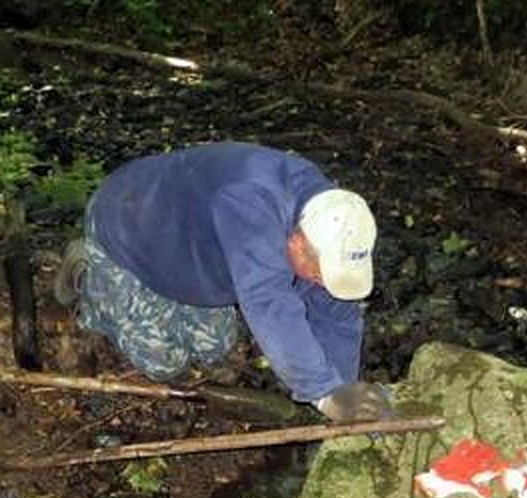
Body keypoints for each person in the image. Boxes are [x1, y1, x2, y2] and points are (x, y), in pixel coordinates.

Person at [53, 142, 392, 422]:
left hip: (190, 247)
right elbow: (269, 305)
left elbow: (338, 312)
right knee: (163, 361)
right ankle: (88, 276)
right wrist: (324, 394)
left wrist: (345, 389)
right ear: (297, 243)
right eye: (319, 273)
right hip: (129, 224)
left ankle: (164, 295)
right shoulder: (250, 206)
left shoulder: (332, 219)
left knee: (214, 345)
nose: (322, 283)